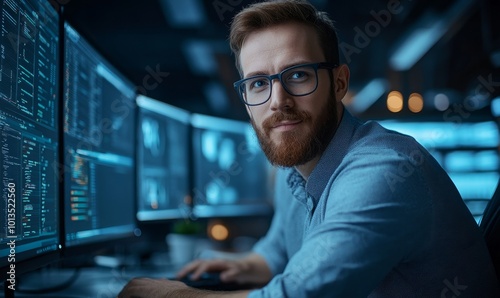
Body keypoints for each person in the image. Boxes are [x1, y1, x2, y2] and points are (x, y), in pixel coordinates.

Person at [119, 0, 500, 297]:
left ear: (338, 83)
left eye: (297, 75)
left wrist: (173, 295)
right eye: (257, 84)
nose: (277, 101)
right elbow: (279, 252)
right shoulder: (295, 169)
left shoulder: (384, 171)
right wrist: (236, 266)